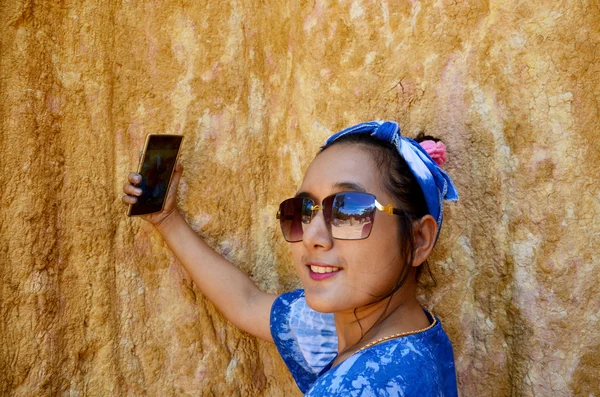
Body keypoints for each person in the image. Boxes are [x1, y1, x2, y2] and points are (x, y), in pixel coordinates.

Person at [121, 120, 459, 396]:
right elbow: (247, 302)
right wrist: (167, 220)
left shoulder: (368, 385)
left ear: (418, 239)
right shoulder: (377, 327)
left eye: (350, 210)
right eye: (303, 210)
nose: (312, 237)